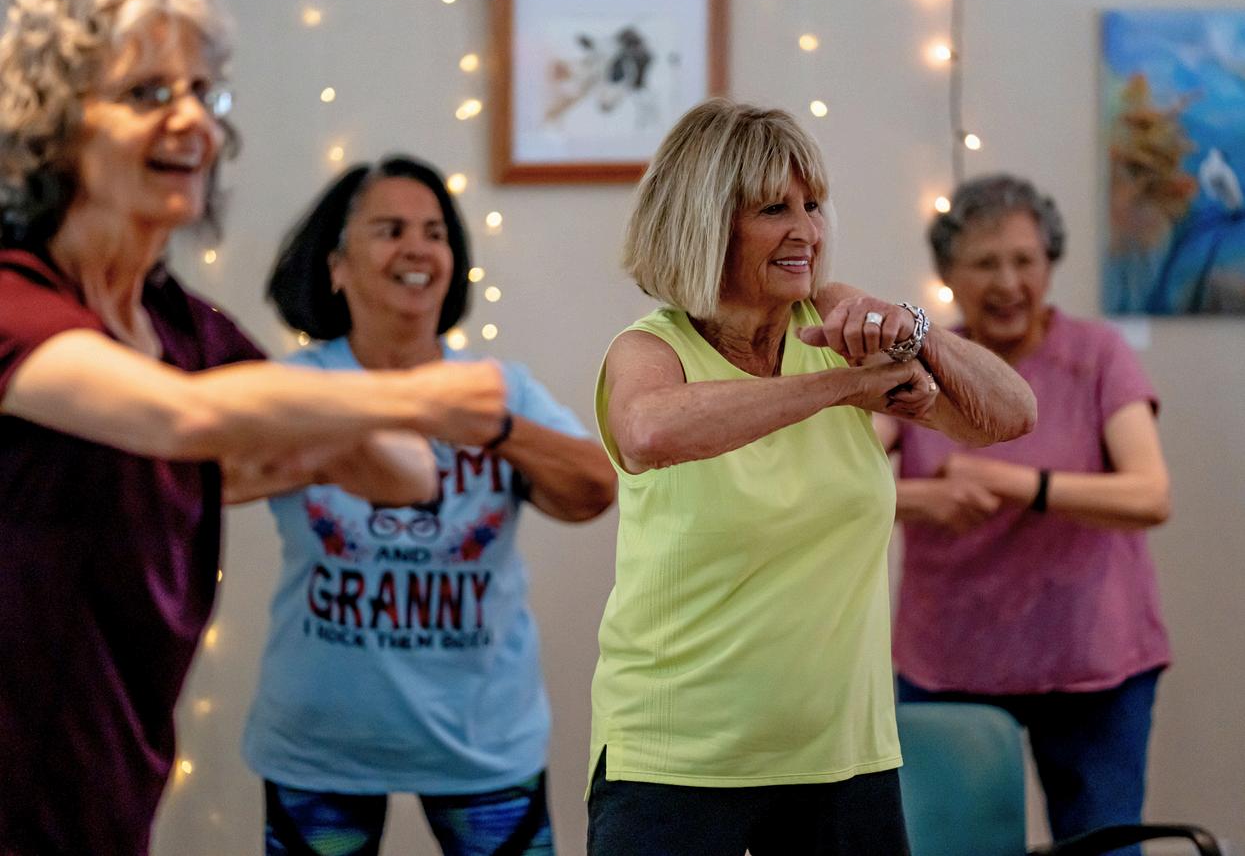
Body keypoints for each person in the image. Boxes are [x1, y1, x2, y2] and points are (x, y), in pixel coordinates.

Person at [0, 0, 504, 856]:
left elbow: (405, 473)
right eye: (147, 92)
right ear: (54, 125)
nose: (192, 118)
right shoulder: (14, 296)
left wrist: (278, 437)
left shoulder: (184, 328)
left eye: (203, 90)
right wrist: (410, 394)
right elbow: (180, 418)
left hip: (107, 793)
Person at [587, 99, 1037, 856]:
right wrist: (845, 387)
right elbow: (648, 432)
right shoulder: (651, 350)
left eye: (813, 205)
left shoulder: (831, 323)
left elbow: (1011, 413)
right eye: (774, 209)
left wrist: (914, 330)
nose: (807, 231)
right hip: (677, 763)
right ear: (706, 223)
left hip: (844, 761)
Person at [243, 155, 616, 856]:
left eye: (435, 233)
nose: (417, 248)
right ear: (336, 267)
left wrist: (494, 427)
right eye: (390, 230)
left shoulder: (495, 389)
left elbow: (594, 490)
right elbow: (207, 479)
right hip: (320, 747)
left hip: (484, 742)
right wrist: (341, 428)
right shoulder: (294, 385)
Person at [878, 174, 1172, 853]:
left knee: (1102, 847)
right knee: (942, 844)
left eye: (1024, 261)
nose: (1007, 282)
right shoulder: (919, 364)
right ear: (947, 275)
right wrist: (921, 498)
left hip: (1093, 662)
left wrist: (1011, 482)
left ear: (1049, 264)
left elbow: (1149, 495)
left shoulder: (1098, 356)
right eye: (984, 263)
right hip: (949, 662)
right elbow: (837, 484)